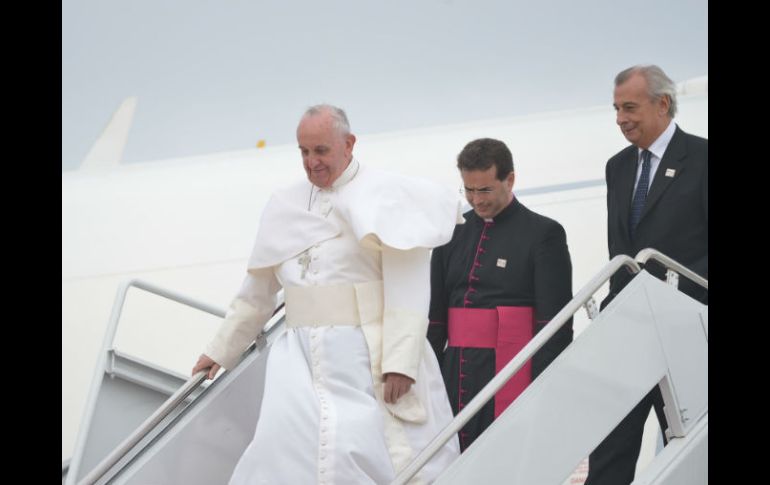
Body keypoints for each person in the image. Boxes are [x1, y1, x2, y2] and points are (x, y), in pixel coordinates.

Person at [192, 104, 461, 484]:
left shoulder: (386, 194)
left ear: (348, 144)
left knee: (365, 448)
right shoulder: (284, 203)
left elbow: (409, 285)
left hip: (367, 354)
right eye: (303, 152)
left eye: (321, 151)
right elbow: (257, 292)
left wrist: (400, 362)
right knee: (282, 448)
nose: (311, 162)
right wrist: (220, 350)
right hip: (298, 360)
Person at [585, 65, 708, 485]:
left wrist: (679, 300)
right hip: (629, 326)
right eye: (616, 108)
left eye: (630, 107)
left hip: (687, 328)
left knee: (691, 446)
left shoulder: (703, 159)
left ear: (663, 104)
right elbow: (619, 250)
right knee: (610, 445)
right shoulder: (616, 167)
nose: (621, 118)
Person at [427, 138, 574, 452]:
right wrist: (429, 380)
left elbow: (556, 325)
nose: (476, 201)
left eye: (485, 190)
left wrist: (541, 389)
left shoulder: (544, 234)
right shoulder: (451, 232)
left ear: (510, 179)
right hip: (455, 372)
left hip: (511, 371)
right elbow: (436, 320)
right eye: (468, 190)